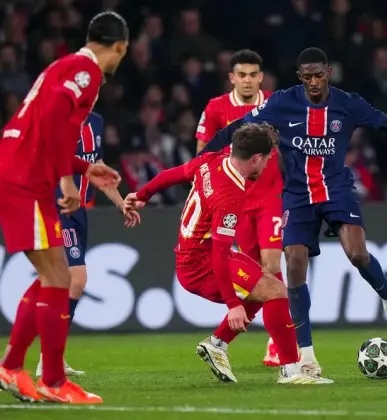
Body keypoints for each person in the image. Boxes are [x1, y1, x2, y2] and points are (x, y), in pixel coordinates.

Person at [199, 47, 387, 376]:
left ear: (328, 73)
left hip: (336, 190)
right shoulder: (282, 103)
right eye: (307, 77)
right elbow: (235, 130)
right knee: (294, 265)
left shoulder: (348, 104)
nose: (313, 82)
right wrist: (199, 163)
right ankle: (307, 356)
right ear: (299, 77)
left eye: (318, 75)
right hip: (298, 196)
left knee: (357, 254)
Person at [125, 123, 332, 385]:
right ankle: (291, 372)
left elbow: (173, 174)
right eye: (267, 160)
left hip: (195, 253)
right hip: (200, 265)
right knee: (276, 291)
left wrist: (142, 195)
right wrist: (233, 305)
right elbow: (219, 255)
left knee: (266, 286)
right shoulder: (229, 197)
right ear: (256, 158)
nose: (267, 166)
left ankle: (218, 344)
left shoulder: (212, 160)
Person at [0, 11, 128, 404]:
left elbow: (45, 127)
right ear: (119, 48)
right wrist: (67, 179)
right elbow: (55, 116)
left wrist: (84, 167)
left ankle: (13, 366)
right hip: (27, 177)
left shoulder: (63, 66)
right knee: (58, 275)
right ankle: (52, 381)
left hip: (21, 170)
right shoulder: (86, 72)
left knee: (52, 275)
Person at [34, 112, 141, 378]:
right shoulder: (59, 118)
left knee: (60, 282)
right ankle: (47, 358)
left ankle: (51, 356)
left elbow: (97, 165)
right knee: (76, 279)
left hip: (80, 211)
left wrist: (120, 203)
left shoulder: (96, 121)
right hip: (58, 207)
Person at [195, 49, 284, 367]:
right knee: (258, 278)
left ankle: (276, 344)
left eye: (253, 75)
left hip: (270, 198)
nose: (247, 80)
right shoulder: (216, 108)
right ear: (232, 77)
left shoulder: (274, 104)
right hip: (238, 204)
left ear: (261, 78)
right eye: (242, 75)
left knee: (272, 263)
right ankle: (219, 341)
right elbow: (203, 153)